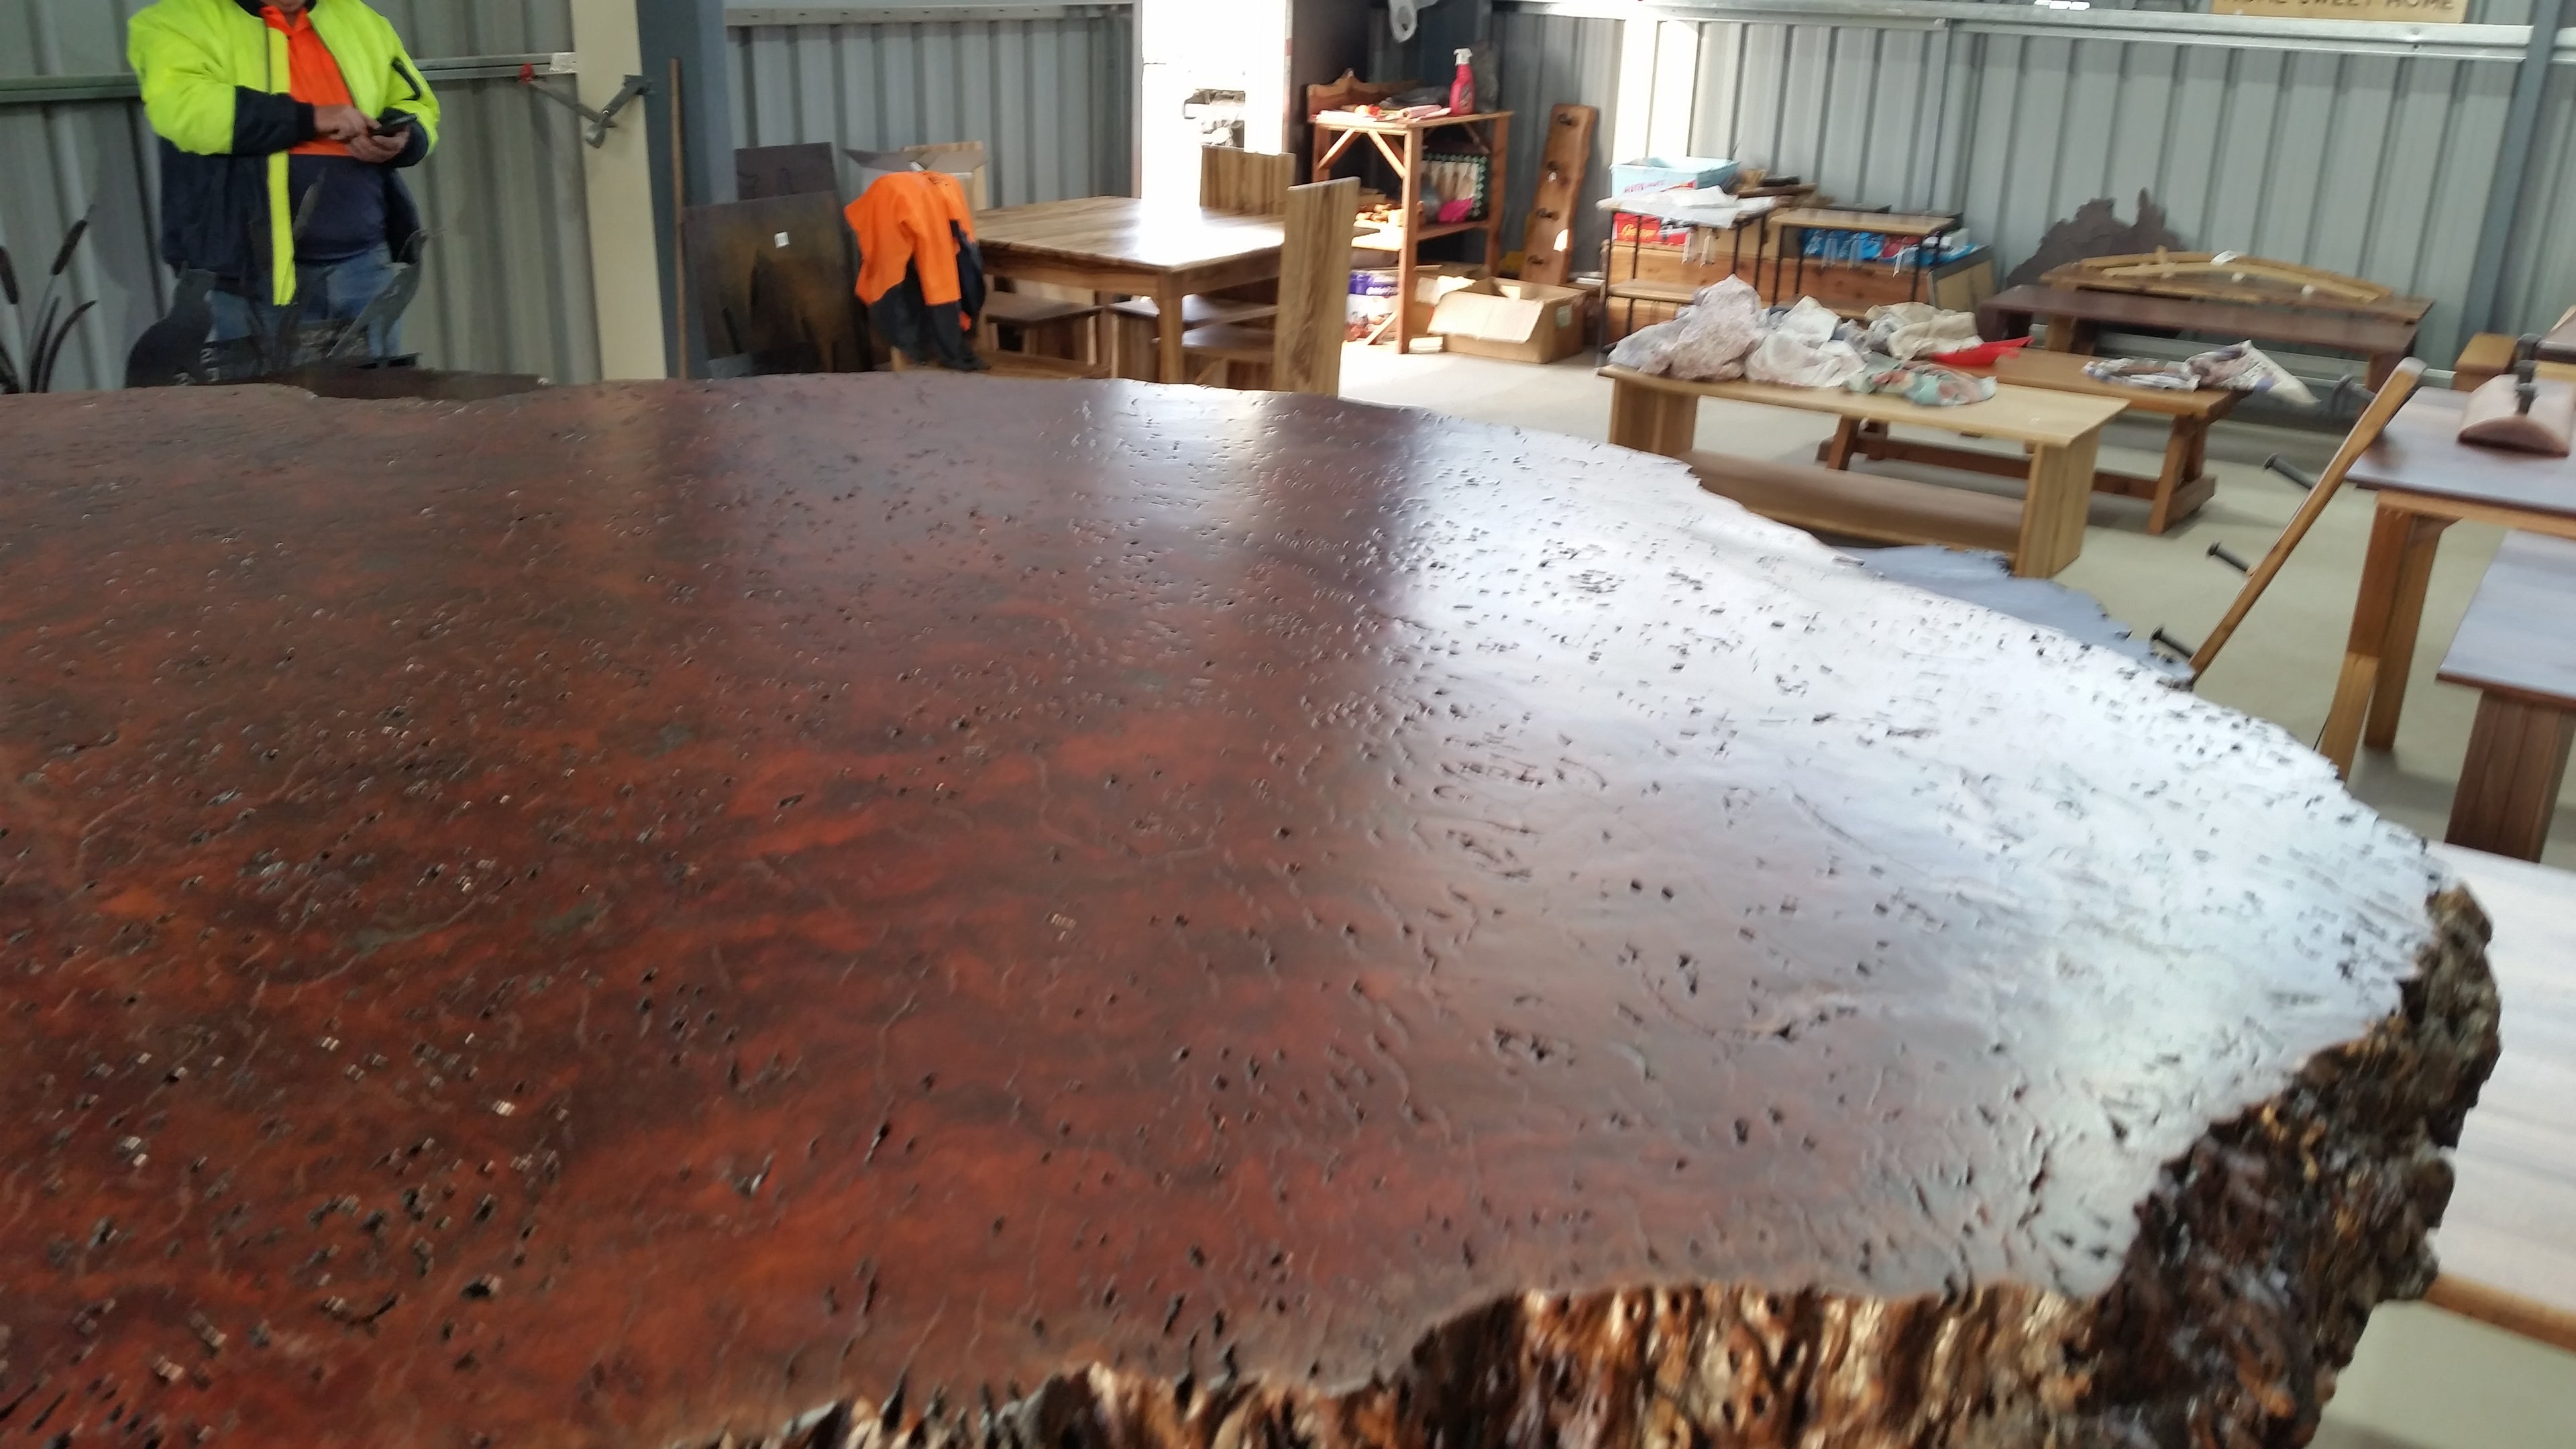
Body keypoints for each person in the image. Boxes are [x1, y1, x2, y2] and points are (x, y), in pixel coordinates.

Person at [128, 0, 439, 358]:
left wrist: (404, 137)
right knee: (264, 407)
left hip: (365, 264)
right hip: (249, 277)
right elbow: (187, 111)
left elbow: (418, 103)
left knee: (375, 404)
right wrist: (310, 119)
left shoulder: (363, 21)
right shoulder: (173, 22)